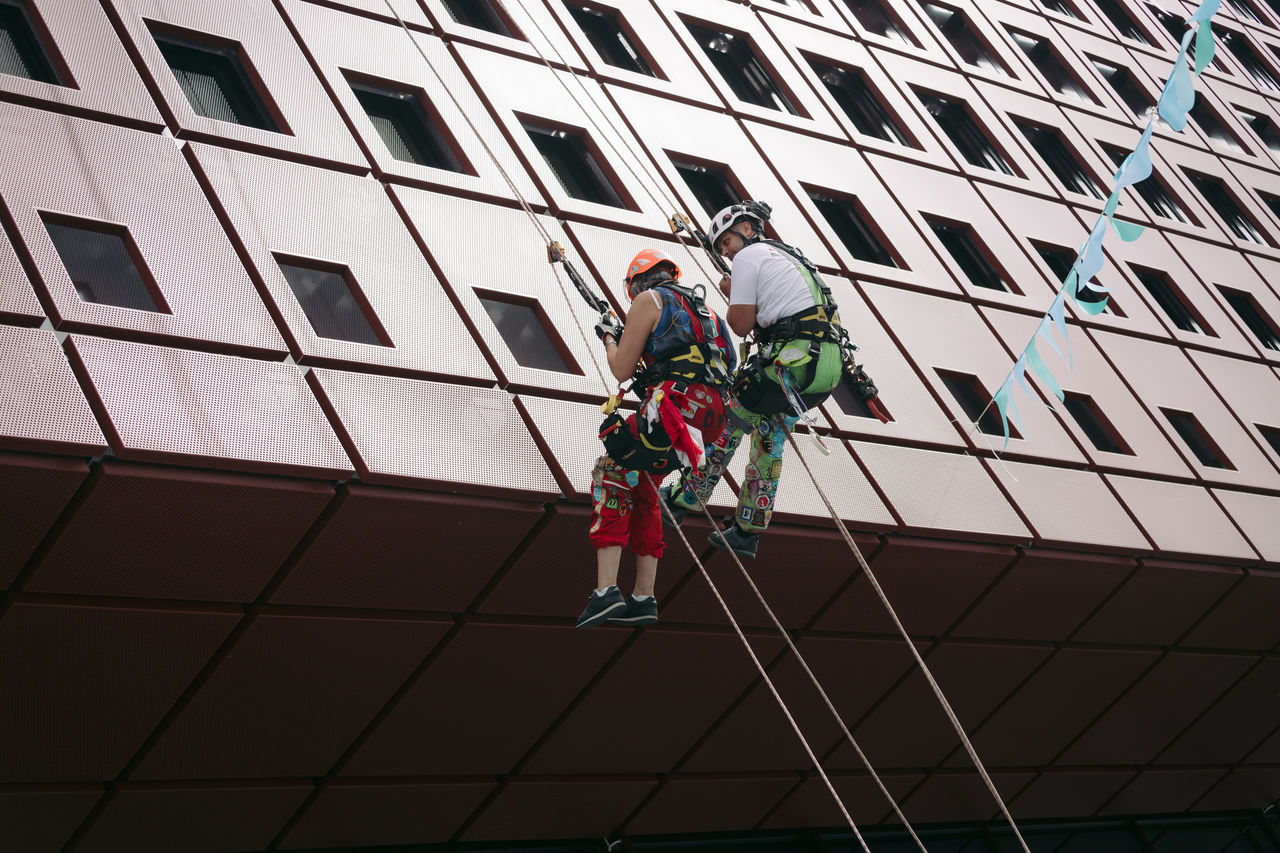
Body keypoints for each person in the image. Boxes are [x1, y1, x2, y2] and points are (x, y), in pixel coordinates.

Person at [661, 202, 846, 559]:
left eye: (726, 241)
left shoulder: (749, 258)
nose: (725, 251)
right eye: (719, 249)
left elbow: (742, 325)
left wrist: (733, 295)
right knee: (769, 440)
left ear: (747, 229)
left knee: (728, 422)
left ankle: (684, 500)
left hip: (789, 363)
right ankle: (748, 530)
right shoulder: (791, 256)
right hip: (823, 370)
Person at [577, 248, 736, 628]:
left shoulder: (648, 301)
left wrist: (609, 337)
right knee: (645, 488)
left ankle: (605, 592)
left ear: (635, 284)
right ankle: (644, 597)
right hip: (706, 421)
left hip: (672, 407)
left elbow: (621, 368)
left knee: (611, 474)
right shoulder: (707, 313)